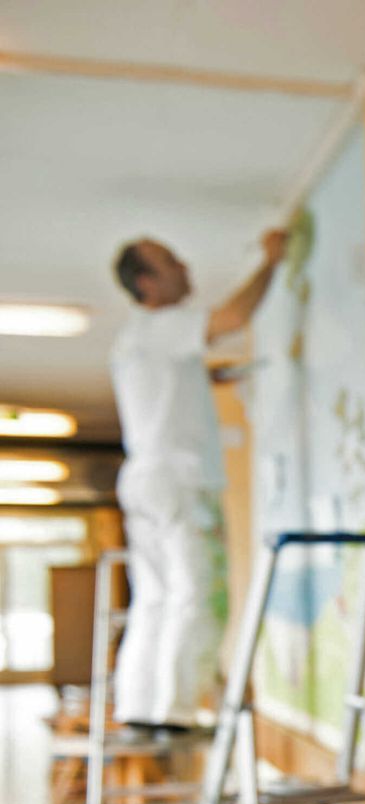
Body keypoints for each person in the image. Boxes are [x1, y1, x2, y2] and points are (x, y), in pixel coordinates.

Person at [107, 230, 286, 732]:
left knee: (158, 597)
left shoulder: (134, 341)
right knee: (199, 593)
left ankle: (142, 708)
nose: (184, 266)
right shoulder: (163, 325)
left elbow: (162, 389)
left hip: (146, 480)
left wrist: (209, 380)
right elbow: (233, 318)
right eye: (169, 262)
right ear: (146, 282)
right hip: (179, 481)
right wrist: (271, 261)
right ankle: (177, 712)